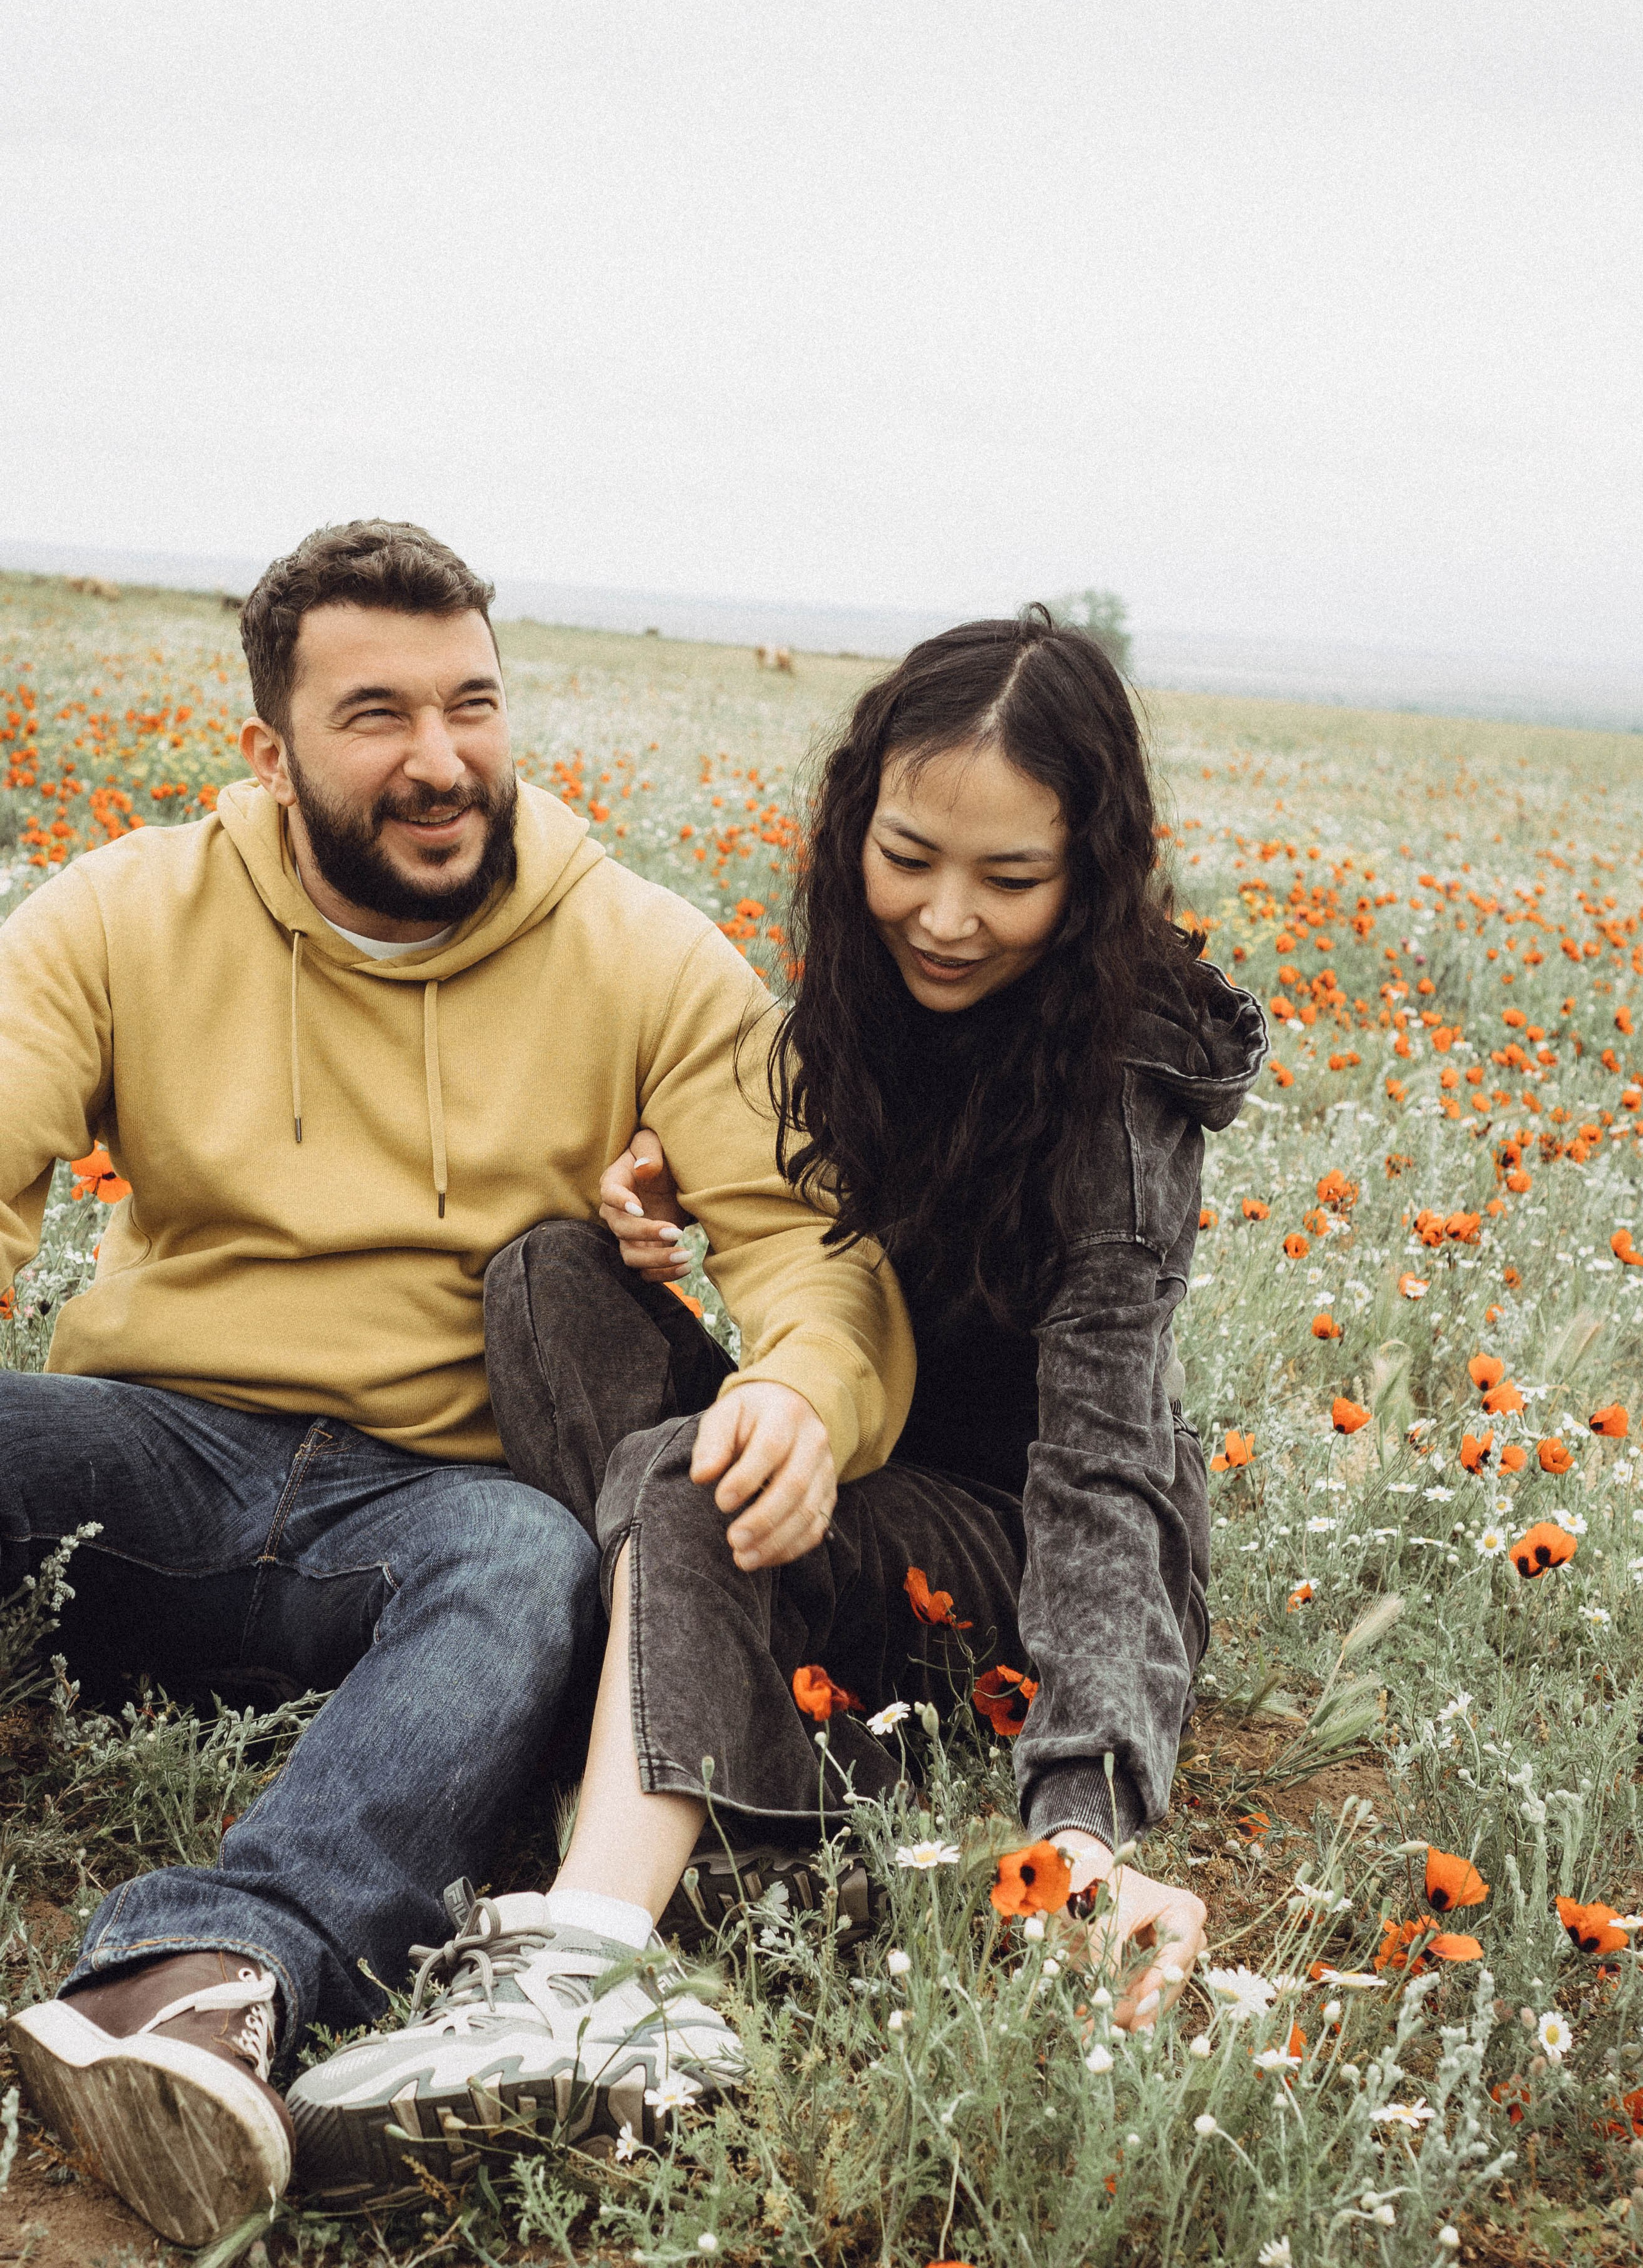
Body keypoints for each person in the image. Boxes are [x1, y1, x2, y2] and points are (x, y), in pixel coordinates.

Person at [1, 520, 911, 2246]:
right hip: (153, 1453)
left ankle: (199, 1981)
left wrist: (803, 1386)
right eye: (376, 717)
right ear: (268, 753)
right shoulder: (122, 913)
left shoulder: (643, 954)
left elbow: (812, 1247)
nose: (442, 763)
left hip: (435, 1507)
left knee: (532, 1568)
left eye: (472, 704)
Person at [289, 606, 1266, 2199]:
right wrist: (675, 1197)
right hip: (851, 1464)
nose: (945, 918)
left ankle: (592, 1979)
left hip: (1004, 1541)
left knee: (697, 1478)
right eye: (908, 856)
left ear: (1092, 870)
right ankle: (692, 1702)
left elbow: (1104, 1462)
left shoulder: (1117, 1089)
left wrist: (1081, 1816)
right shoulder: (865, 985)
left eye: (1009, 882)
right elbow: (821, 1222)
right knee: (546, 1276)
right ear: (852, 822)